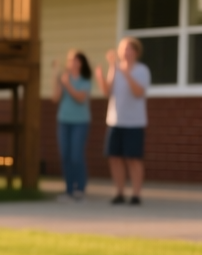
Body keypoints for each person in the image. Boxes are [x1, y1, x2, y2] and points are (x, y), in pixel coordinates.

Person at [97, 37, 150, 205]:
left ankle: (136, 194)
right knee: (114, 158)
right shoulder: (115, 69)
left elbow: (138, 92)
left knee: (133, 158)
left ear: (135, 52)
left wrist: (126, 73)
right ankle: (119, 193)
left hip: (134, 122)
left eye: (128, 49)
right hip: (115, 121)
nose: (125, 52)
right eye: (122, 49)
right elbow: (107, 92)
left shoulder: (142, 70)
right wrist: (101, 77)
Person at [53, 49, 93, 202]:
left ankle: (80, 189)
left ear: (81, 63)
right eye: (70, 60)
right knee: (65, 156)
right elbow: (55, 98)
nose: (72, 63)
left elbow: (80, 98)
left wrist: (67, 84)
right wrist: (56, 79)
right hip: (64, 121)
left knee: (76, 156)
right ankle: (68, 190)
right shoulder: (64, 78)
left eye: (75, 60)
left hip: (80, 122)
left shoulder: (85, 80)